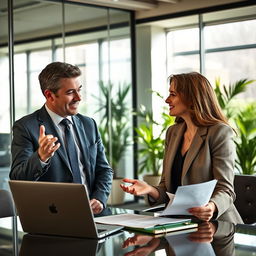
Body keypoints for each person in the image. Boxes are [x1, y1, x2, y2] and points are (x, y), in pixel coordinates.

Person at [121, 72, 243, 224]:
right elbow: (167, 188)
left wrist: (211, 207)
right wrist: (149, 189)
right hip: (179, 224)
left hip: (217, 226)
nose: (167, 100)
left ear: (192, 99)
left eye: (173, 94)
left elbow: (225, 189)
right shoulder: (173, 132)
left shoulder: (219, 132)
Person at [10, 62, 113, 214]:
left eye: (79, 90)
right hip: (53, 218)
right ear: (49, 95)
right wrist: (41, 157)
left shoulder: (89, 124)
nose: (78, 98)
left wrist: (99, 198)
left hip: (95, 216)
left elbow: (104, 170)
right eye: (71, 92)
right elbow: (17, 179)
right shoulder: (26, 127)